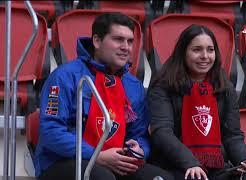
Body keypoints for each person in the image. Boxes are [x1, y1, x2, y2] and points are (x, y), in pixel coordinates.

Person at [34, 12, 173, 180]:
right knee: (103, 177)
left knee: (160, 178)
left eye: (130, 41)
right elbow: (51, 130)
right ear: (97, 41)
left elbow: (139, 133)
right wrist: (96, 155)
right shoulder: (64, 77)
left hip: (115, 161)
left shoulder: (133, 85)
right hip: (63, 162)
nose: (126, 47)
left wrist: (140, 149)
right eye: (118, 39)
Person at [147, 24, 246, 180]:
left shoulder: (224, 87)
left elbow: (232, 135)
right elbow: (162, 133)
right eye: (197, 50)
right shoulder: (164, 86)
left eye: (210, 50)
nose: (205, 56)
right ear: (183, 53)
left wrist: (244, 160)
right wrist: (191, 163)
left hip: (216, 167)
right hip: (174, 165)